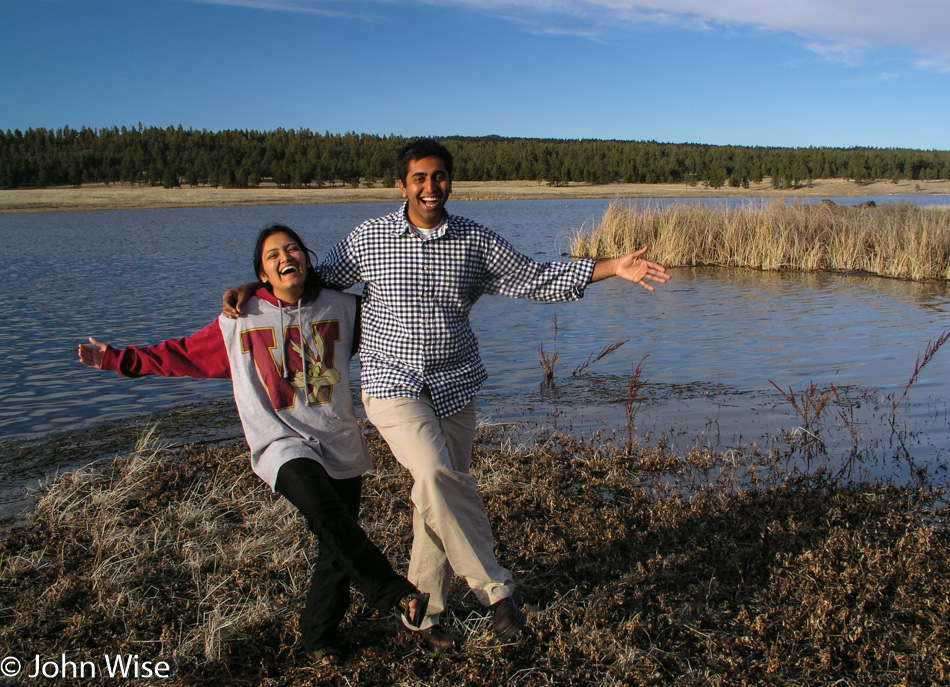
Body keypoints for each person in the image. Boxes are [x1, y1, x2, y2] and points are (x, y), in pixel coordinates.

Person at [224, 140, 670, 650]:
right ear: (402, 185)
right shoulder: (370, 238)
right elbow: (308, 278)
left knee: (436, 497)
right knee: (436, 477)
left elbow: (533, 277)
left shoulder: (474, 241)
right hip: (392, 383)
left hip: (456, 385)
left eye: (439, 177)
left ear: (449, 182)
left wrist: (611, 268)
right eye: (419, 178)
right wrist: (253, 288)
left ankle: (424, 616)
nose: (430, 187)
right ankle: (496, 591)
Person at [78, 225, 428, 667]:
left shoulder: (343, 307)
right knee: (327, 515)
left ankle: (320, 637)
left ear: (306, 258)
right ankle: (394, 593)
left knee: (336, 541)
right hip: (279, 442)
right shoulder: (241, 318)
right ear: (262, 273)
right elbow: (183, 353)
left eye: (292, 249)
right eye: (272, 255)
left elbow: (399, 321)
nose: (285, 257)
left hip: (337, 437)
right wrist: (118, 359)